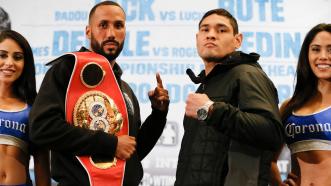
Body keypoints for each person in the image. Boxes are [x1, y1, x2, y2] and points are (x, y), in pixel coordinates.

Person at [29, 1, 169, 186]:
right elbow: (42, 128)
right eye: (103, 25)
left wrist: (158, 114)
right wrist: (111, 144)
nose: (111, 33)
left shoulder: (125, 89)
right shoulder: (67, 70)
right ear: (88, 31)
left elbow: (132, 153)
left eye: (118, 25)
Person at [175, 8, 284, 186]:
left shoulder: (247, 74)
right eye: (205, 29)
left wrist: (211, 110)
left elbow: (272, 131)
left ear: (237, 40)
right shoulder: (205, 85)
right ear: (197, 38)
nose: (211, 35)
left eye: (221, 30)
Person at [271, 23, 331, 186]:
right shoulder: (289, 106)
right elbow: (267, 158)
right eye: (316, 49)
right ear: (307, 55)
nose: (323, 56)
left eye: (330, 49)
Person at [0, 30, 50, 185]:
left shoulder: (34, 110)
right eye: (2, 55)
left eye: (17, 57)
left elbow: (42, 166)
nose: (9, 62)